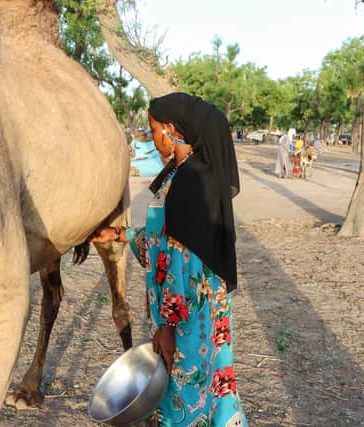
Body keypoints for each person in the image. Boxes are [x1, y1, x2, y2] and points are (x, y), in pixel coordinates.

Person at [91, 93, 248, 427]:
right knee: (211, 386)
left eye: (153, 130)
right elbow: (164, 243)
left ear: (171, 129)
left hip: (188, 314)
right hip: (199, 308)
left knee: (185, 391)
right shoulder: (184, 175)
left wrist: (168, 326)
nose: (153, 139)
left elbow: (182, 259)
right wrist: (120, 235)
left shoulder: (189, 182)